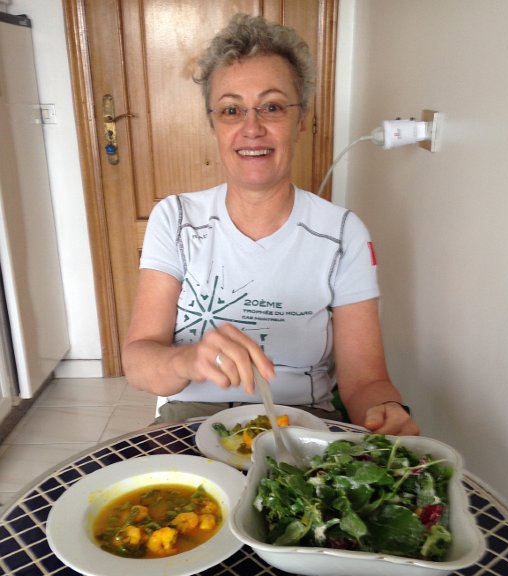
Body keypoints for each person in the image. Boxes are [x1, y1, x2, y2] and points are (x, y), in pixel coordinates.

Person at [122, 13, 419, 436]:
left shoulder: (342, 234)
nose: (252, 128)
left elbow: (365, 381)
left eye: (272, 107)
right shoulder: (175, 219)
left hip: (303, 423)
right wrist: (186, 359)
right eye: (231, 110)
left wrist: (385, 409)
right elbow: (138, 363)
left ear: (301, 120)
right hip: (190, 419)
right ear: (212, 124)